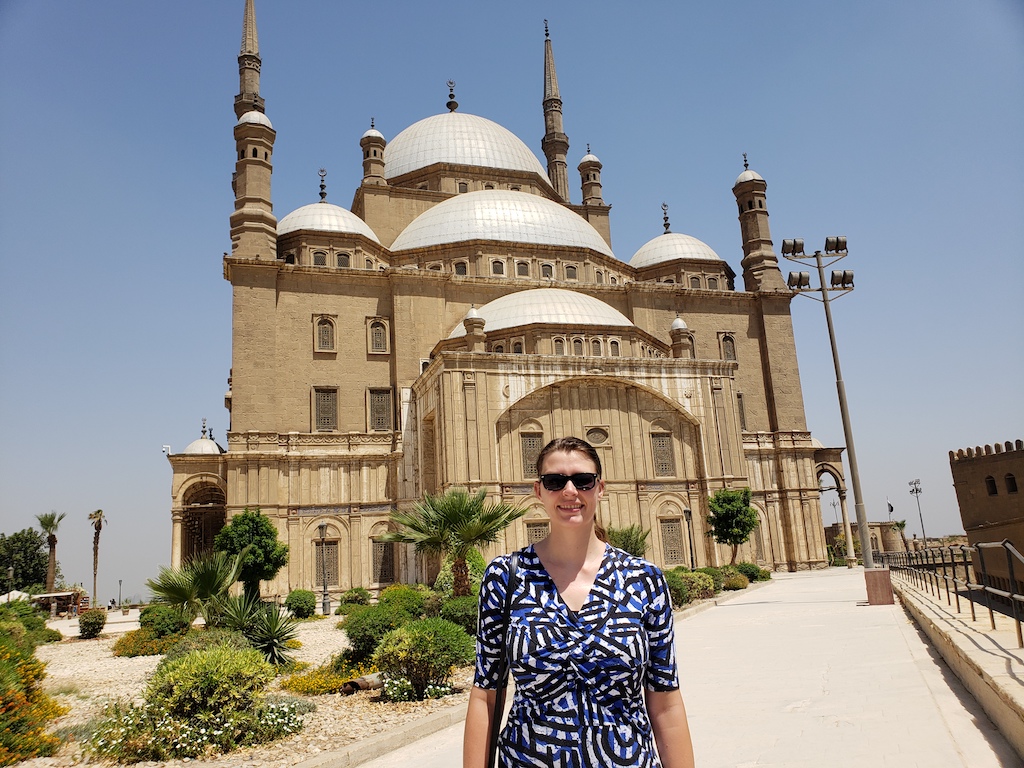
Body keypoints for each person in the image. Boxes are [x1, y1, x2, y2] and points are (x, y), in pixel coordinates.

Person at [464, 436, 695, 768]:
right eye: (555, 481)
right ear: (538, 490)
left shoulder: (644, 580)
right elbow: (485, 695)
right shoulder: (506, 577)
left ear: (599, 488)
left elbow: (666, 703)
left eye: (582, 480)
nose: (569, 491)